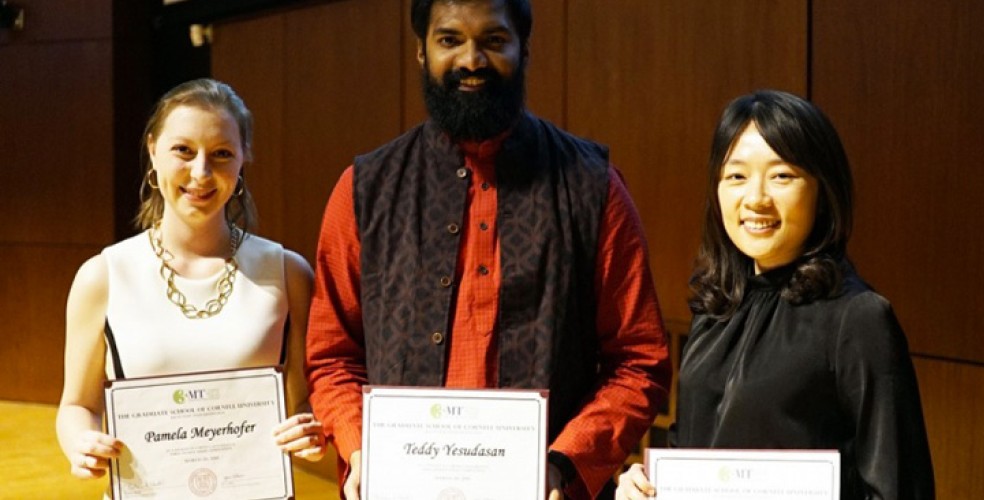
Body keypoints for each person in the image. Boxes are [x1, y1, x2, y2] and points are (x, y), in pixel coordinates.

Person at [305, 0, 671, 498]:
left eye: (493, 41)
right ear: (421, 51)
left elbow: (639, 360)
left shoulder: (592, 187)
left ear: (524, 49)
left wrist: (564, 463)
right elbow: (332, 357)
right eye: (450, 40)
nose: (471, 60)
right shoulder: (364, 190)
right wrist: (362, 449)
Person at [615, 90, 935, 499]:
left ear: (823, 191)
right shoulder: (717, 305)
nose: (756, 199)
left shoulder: (858, 318)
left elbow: (900, 487)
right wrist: (644, 484)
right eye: (736, 177)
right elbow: (692, 450)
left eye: (782, 176)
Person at [56, 78, 326, 486]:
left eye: (221, 154)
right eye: (183, 150)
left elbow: (305, 401)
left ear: (243, 158)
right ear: (152, 150)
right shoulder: (103, 276)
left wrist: (311, 429)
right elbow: (77, 405)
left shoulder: (288, 273)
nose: (201, 172)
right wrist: (81, 443)